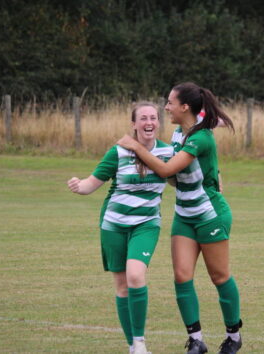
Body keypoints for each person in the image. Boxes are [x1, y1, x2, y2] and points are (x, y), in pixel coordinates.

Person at [117, 82, 243, 354]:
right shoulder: (178, 133)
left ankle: (234, 337)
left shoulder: (201, 139)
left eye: (170, 102)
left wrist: (136, 147)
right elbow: (174, 176)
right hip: (184, 215)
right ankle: (196, 340)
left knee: (219, 277)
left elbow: (165, 170)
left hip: (211, 215)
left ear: (184, 107)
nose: (166, 107)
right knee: (182, 276)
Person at [67, 102, 174, 354]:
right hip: (113, 226)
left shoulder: (169, 152)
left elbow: (184, 180)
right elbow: (91, 184)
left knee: (136, 276)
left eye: (154, 118)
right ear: (134, 124)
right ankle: (133, 347)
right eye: (143, 118)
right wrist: (77, 185)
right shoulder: (117, 152)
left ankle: (140, 342)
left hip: (146, 225)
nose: (149, 122)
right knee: (122, 287)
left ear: (158, 123)